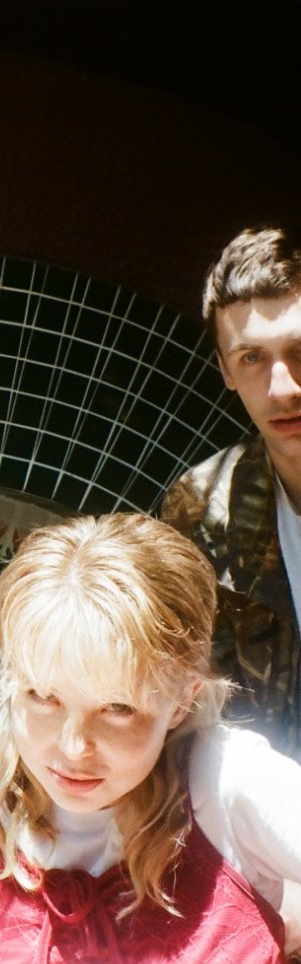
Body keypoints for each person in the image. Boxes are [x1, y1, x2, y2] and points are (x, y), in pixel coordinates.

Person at [0, 513, 301, 964]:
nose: (74, 746)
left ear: (183, 701)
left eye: (118, 708)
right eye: (44, 697)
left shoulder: (228, 785)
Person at [161, 224, 301, 763]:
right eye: (251, 358)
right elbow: (198, 706)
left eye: (300, 349)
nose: (283, 388)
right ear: (225, 369)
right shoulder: (201, 510)